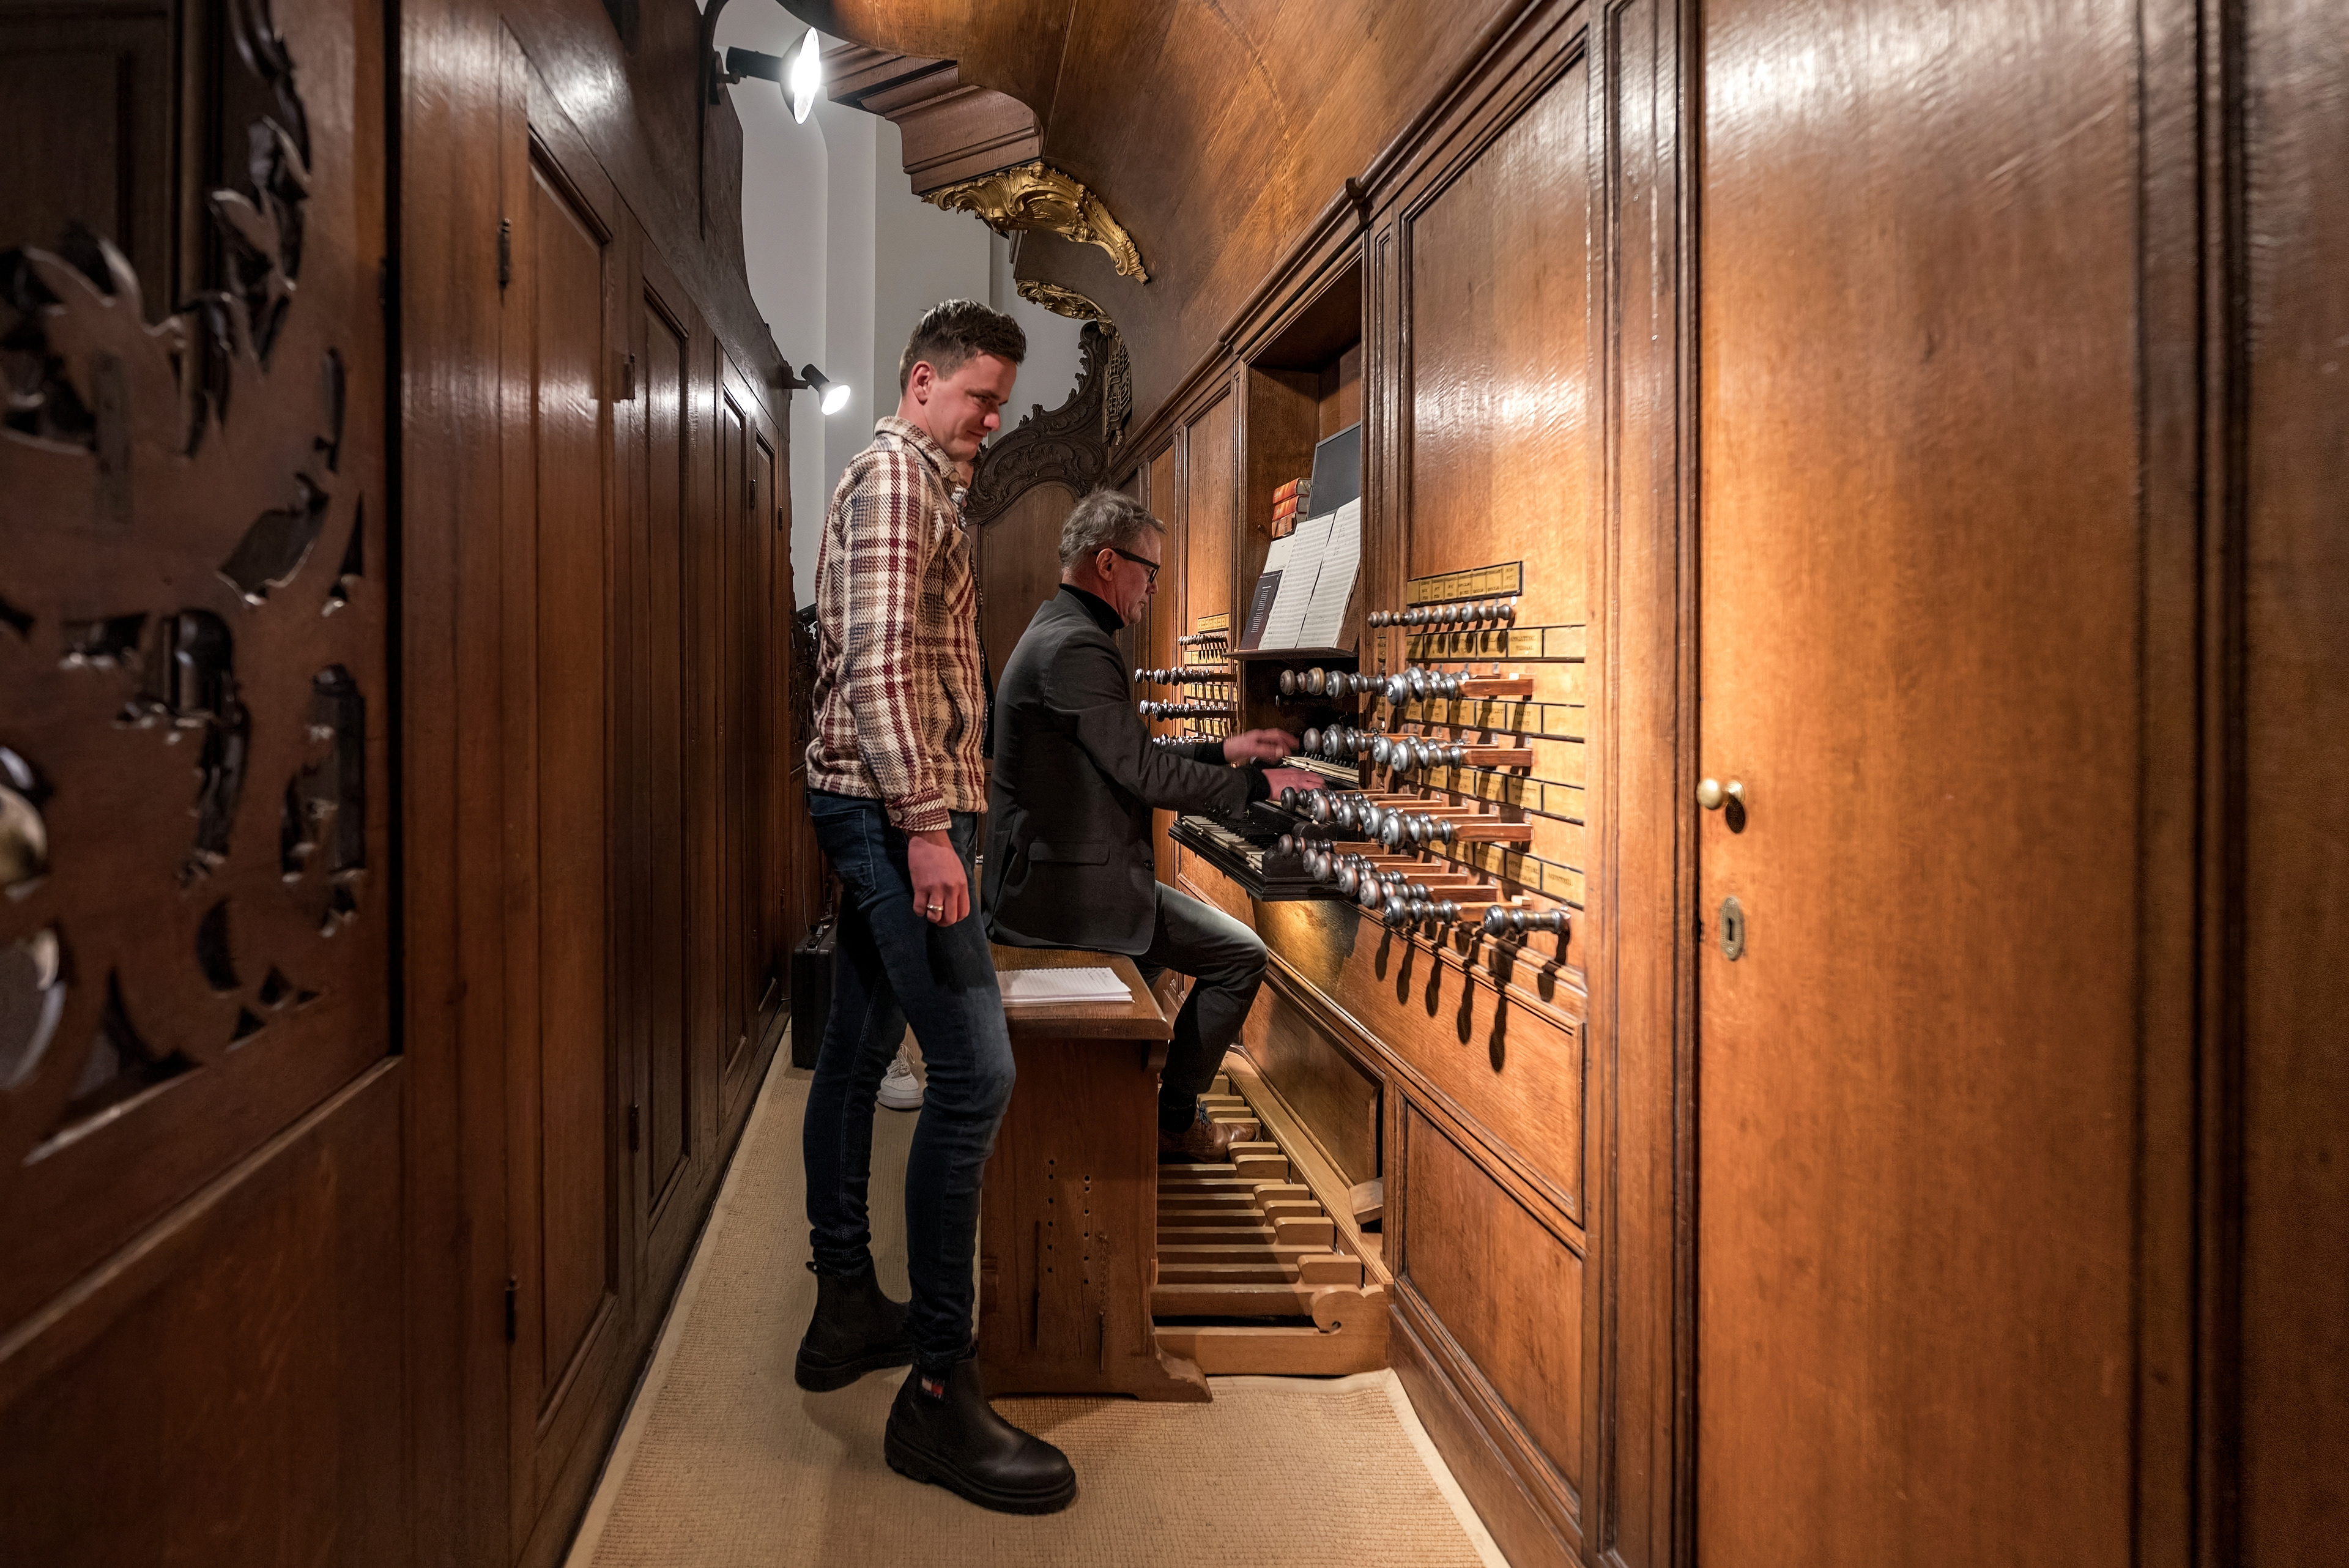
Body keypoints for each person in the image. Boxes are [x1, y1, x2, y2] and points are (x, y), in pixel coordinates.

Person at [796, 299, 1075, 1515]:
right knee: (974, 1074)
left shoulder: (910, 478)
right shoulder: (900, 478)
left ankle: (847, 1306)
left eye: (1002, 404)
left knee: (858, 1057)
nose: (992, 421)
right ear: (923, 382)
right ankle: (936, 1394)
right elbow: (875, 661)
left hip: (882, 801)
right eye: (980, 399)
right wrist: (923, 823)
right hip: (892, 806)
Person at [982, 488, 1324, 1160]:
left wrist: (1223, 750)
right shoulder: (1078, 647)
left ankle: (1143, 1099)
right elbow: (1144, 774)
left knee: (1182, 949)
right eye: (1151, 570)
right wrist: (1257, 784)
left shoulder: (1059, 628)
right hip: (1060, 899)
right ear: (1108, 563)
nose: (1154, 587)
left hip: (1050, 876)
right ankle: (1173, 1119)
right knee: (1241, 955)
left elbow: (1127, 755)